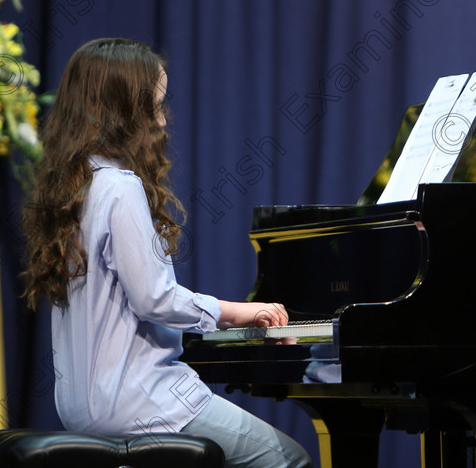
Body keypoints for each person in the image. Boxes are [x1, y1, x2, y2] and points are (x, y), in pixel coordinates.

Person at [21, 38, 312, 468]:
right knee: (288, 458)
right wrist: (240, 312)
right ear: (122, 114)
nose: (161, 122)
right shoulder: (120, 187)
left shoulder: (75, 189)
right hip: (139, 399)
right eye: (152, 108)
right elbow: (154, 298)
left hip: (80, 407)